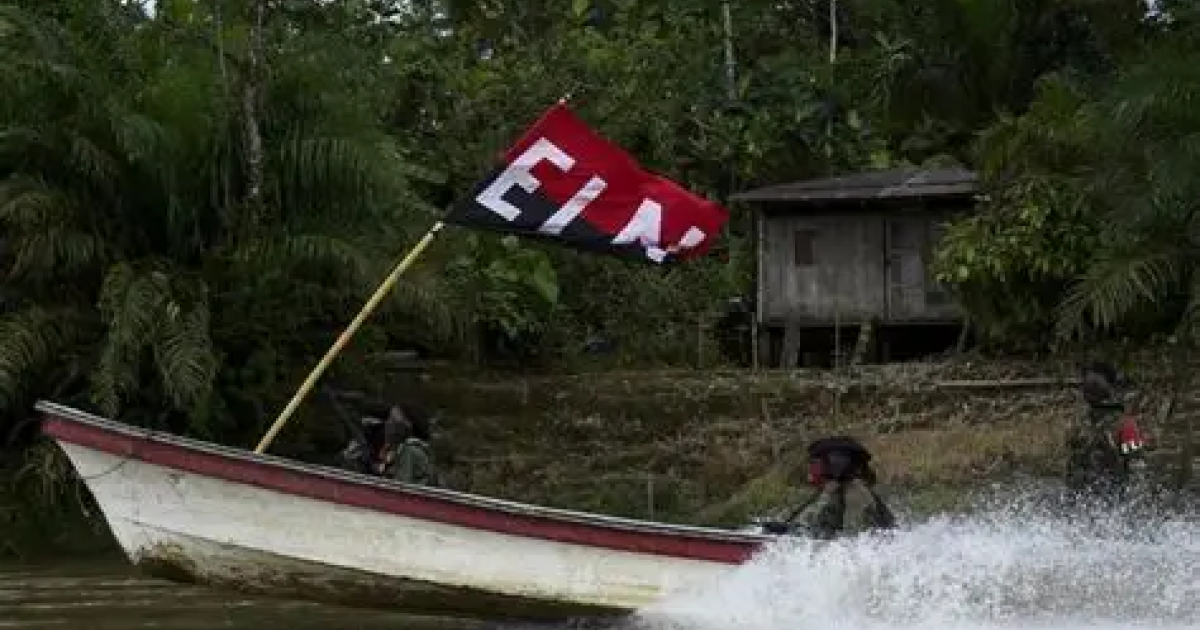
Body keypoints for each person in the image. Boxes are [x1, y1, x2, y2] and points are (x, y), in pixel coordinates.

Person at [764, 436, 896, 539]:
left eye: (814, 463)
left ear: (835, 464)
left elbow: (852, 544)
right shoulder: (837, 491)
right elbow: (821, 531)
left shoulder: (856, 494)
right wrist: (788, 530)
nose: (810, 468)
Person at [1064, 361, 1150, 504]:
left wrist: (1131, 509)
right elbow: (1071, 463)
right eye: (1089, 383)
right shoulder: (1079, 423)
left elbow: (1137, 468)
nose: (1090, 386)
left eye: (1095, 383)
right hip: (1078, 502)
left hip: (1112, 504)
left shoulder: (1125, 425)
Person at [379, 404, 440, 486]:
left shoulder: (410, 451)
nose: (388, 423)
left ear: (408, 425)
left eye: (393, 419)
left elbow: (400, 488)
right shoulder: (401, 450)